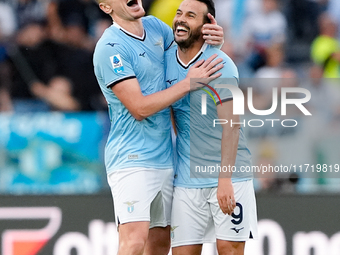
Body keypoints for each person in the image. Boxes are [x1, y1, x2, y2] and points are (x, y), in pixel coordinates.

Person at [92, 0, 225, 254]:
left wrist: (212, 42)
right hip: (131, 158)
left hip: (165, 157)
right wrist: (188, 84)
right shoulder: (110, 48)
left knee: (160, 244)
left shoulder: (155, 27)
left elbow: (186, 57)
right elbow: (139, 108)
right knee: (133, 241)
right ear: (106, 7)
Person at [164, 0, 258, 254]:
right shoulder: (165, 61)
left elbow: (232, 125)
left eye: (191, 16)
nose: (181, 19)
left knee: (229, 250)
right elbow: (175, 115)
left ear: (207, 25)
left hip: (229, 176)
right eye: (179, 13)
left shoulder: (221, 64)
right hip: (186, 178)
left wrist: (225, 178)